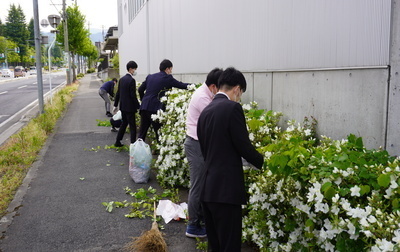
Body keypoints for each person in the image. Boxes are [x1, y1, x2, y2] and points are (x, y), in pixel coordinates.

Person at [197, 67, 264, 251]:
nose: (239, 97)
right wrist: (264, 163)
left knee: (215, 245)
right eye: (240, 93)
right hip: (226, 192)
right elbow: (244, 147)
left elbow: (207, 149)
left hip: (208, 190)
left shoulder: (205, 112)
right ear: (237, 89)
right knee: (230, 246)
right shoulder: (233, 108)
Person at [184, 68, 222, 238]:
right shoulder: (203, 98)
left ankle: (201, 220)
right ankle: (192, 226)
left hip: (199, 144)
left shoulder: (207, 93)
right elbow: (217, 119)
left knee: (202, 184)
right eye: (220, 87)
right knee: (197, 186)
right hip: (195, 145)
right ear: (213, 86)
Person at [138, 59, 189, 142]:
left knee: (142, 134)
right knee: (159, 133)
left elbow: (140, 89)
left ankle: (137, 152)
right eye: (171, 69)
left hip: (144, 107)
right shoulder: (167, 78)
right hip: (155, 109)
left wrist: (143, 100)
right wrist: (195, 86)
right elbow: (181, 85)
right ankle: (159, 152)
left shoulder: (150, 76)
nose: (171, 71)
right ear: (167, 69)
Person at [113, 61, 140, 147]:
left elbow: (118, 93)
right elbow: (133, 95)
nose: (135, 71)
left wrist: (115, 105)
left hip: (123, 106)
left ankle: (118, 141)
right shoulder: (131, 80)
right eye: (135, 69)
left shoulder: (121, 79)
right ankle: (133, 144)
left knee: (124, 124)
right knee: (132, 126)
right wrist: (138, 106)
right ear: (131, 69)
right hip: (130, 108)